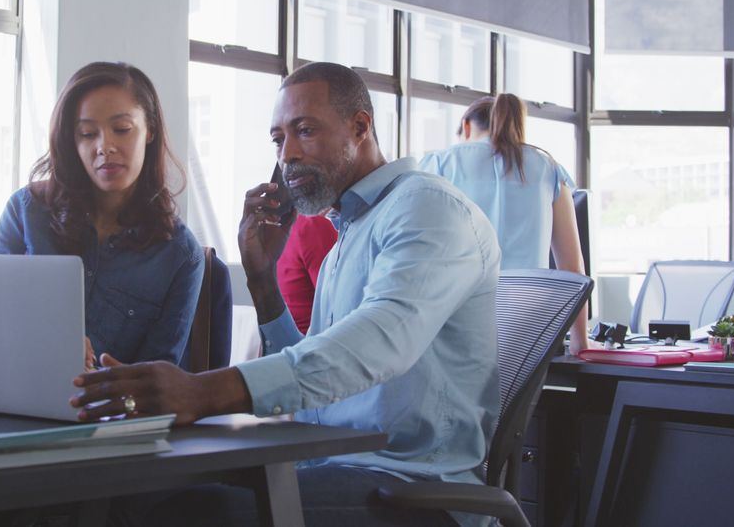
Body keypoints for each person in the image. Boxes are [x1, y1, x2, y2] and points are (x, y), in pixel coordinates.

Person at [71, 62, 502, 527]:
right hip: (332, 466)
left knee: (186, 515)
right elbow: (315, 387)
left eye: (305, 131)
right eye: (278, 139)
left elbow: (380, 342)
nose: (288, 154)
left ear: (360, 127)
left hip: (413, 489)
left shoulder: (427, 207)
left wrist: (204, 391)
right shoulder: (350, 234)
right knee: (141, 497)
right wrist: (262, 280)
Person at [0, 61, 204, 367]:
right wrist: (49, 338)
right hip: (18, 386)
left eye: (122, 129)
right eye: (88, 134)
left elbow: (158, 380)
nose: (105, 147)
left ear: (150, 130)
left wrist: (102, 378)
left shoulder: (181, 255)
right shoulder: (25, 212)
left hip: (111, 397)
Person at [420, 93, 589, 353]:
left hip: (458, 323)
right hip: (529, 329)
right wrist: (580, 343)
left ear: (466, 126)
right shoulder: (549, 168)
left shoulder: (439, 164)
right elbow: (572, 268)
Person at [276, 214, 337, 334]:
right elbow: (338, 308)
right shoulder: (313, 225)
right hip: (314, 340)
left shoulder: (263, 228)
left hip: (281, 339)